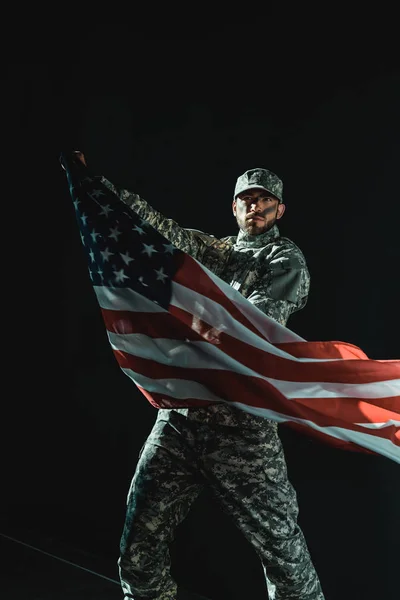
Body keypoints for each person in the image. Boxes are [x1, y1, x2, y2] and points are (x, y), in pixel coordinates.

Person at [71, 153, 325, 600]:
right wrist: (98, 188)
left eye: (265, 200)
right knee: (139, 545)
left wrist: (195, 325)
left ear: (279, 210)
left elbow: (257, 324)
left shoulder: (285, 258)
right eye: (246, 199)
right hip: (183, 421)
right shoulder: (217, 252)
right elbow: (159, 229)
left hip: (242, 428)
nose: (255, 207)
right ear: (234, 208)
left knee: (283, 554)